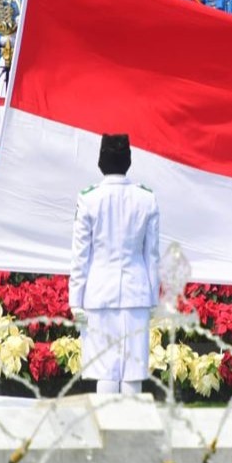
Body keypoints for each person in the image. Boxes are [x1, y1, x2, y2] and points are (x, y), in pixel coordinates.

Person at [69, 134, 160, 395]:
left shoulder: (88, 198)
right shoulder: (146, 198)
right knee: (133, 371)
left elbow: (80, 255)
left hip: (99, 293)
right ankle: (132, 432)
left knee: (104, 370)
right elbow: (151, 255)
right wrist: (153, 298)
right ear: (128, 160)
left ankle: (106, 432)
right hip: (136, 292)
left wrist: (76, 299)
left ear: (101, 160)